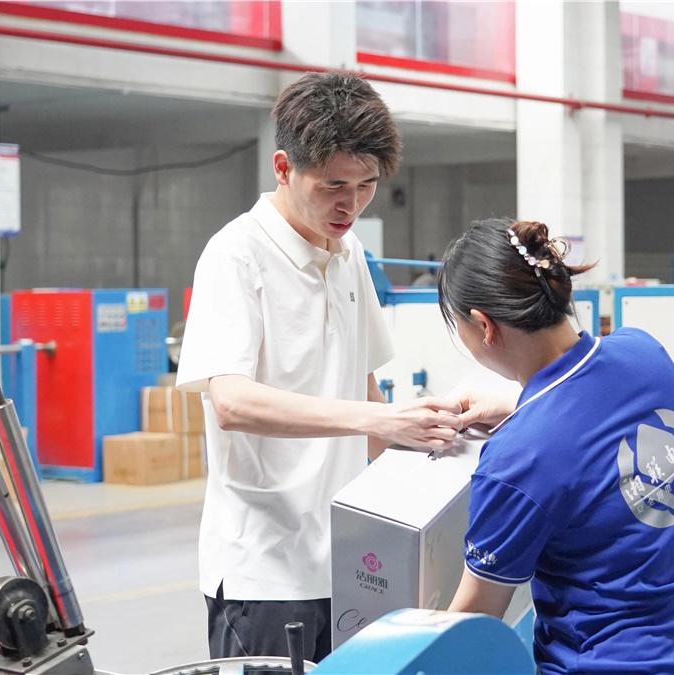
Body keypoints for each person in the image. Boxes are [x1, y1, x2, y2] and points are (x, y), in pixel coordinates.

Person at [176, 71, 462, 664]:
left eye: (366, 185)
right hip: (264, 568)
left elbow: (364, 388)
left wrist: (431, 453)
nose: (350, 204)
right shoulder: (236, 256)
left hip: (349, 558)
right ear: (283, 168)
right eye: (334, 185)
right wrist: (378, 420)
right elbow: (232, 402)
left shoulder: (350, 253)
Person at [440, 219, 674, 674]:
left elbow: (473, 621)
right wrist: (522, 410)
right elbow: (589, 418)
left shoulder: (516, 459)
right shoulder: (646, 355)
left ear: (483, 325)